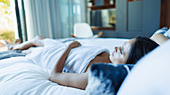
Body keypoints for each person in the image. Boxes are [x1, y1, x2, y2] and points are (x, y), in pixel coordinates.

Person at [4, 35, 161, 89]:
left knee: (31, 50)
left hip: (60, 54)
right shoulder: (112, 60)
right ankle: (15, 45)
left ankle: (14, 47)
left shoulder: (94, 76)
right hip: (71, 49)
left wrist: (69, 46)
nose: (115, 47)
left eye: (121, 51)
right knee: (38, 39)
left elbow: (54, 75)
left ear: (130, 63)